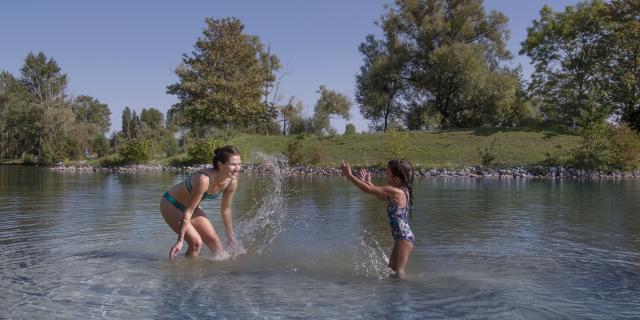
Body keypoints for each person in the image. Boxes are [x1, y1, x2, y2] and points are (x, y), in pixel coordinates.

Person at [160, 145, 242, 259]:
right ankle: (183, 274)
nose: (237, 168)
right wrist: (180, 240)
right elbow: (188, 211)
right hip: (171, 203)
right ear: (220, 165)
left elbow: (226, 209)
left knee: (216, 245)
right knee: (196, 243)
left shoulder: (231, 182)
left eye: (239, 164)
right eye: (233, 164)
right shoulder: (204, 179)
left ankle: (219, 276)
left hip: (192, 207)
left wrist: (231, 238)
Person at [340, 159, 415, 279]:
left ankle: (405, 293)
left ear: (397, 178)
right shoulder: (401, 191)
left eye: (388, 172)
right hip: (401, 239)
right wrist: (367, 182)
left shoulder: (396, 192)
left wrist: (349, 175)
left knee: (398, 273)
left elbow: (367, 190)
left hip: (403, 239)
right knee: (392, 271)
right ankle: (396, 296)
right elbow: (380, 195)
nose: (386, 174)